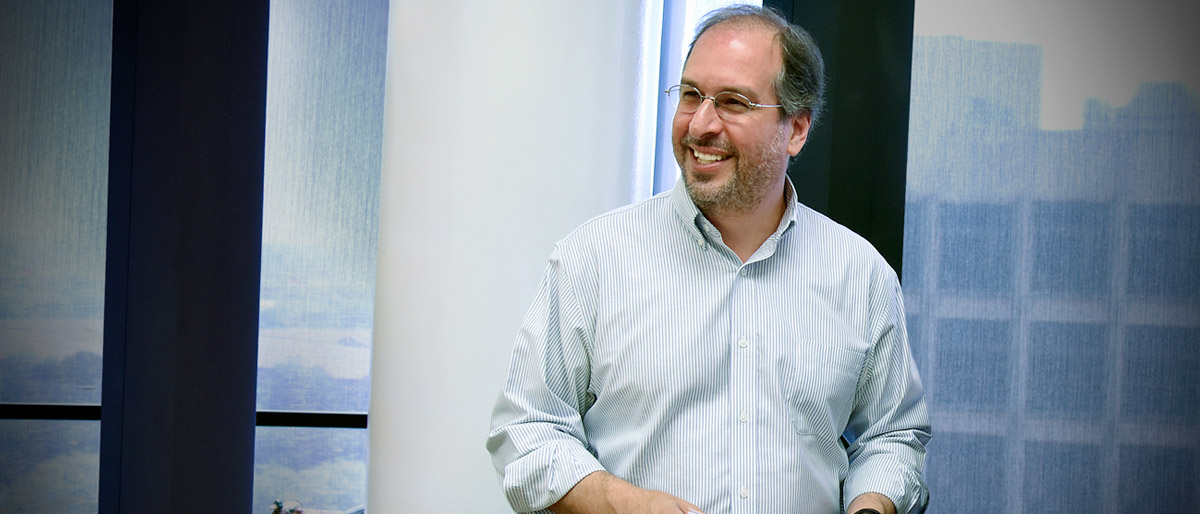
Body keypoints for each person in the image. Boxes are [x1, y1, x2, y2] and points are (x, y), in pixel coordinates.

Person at [487, 5, 930, 514]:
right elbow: (526, 430)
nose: (700, 124)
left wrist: (871, 507)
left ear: (797, 129)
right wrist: (622, 504)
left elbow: (893, 437)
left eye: (733, 102)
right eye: (691, 95)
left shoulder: (861, 275)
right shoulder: (592, 261)